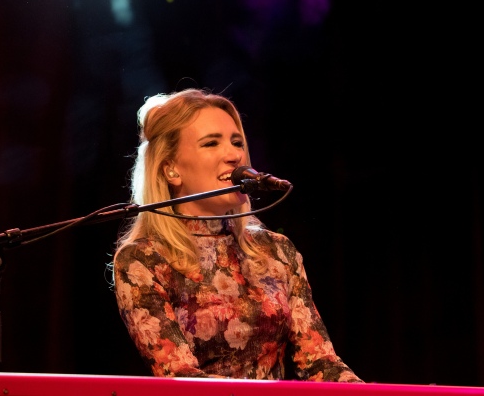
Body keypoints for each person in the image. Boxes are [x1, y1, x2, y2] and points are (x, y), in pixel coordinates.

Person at [111, 88, 363, 382]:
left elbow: (320, 363)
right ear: (171, 170)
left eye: (237, 142)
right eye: (211, 144)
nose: (234, 155)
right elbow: (181, 377)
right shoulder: (144, 259)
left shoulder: (277, 252)